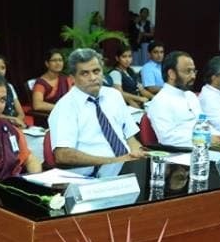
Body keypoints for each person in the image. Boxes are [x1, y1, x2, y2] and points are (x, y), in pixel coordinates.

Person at [49, 48, 146, 177]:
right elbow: (63, 154)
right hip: (91, 175)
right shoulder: (65, 107)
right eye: (85, 73)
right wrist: (114, 162)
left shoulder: (114, 95)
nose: (93, 78)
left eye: (96, 71)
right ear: (72, 78)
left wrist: (137, 154)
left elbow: (130, 137)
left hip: (126, 168)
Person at [148, 51, 220, 147]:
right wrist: (205, 138)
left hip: (204, 147)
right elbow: (167, 138)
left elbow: (203, 125)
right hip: (181, 153)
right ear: (171, 74)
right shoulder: (160, 101)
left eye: (194, 71)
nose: (193, 76)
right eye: (188, 71)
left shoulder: (190, 96)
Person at [0, 52, 27, 128]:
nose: (0, 72)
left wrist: (17, 122)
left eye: (3, 68)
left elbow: (21, 113)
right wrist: (12, 120)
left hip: (13, 126)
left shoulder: (9, 86)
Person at [108, 44, 152, 109]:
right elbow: (120, 94)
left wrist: (155, 98)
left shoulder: (131, 71)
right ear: (117, 58)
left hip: (140, 103)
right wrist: (139, 99)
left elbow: (141, 90)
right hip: (127, 107)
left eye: (129, 56)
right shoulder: (115, 73)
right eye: (124, 57)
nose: (127, 60)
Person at [30, 48, 72, 114]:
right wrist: (61, 108)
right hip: (50, 116)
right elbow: (37, 105)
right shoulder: (41, 83)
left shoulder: (66, 79)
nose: (58, 63)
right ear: (47, 64)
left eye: (60, 60)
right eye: (54, 60)